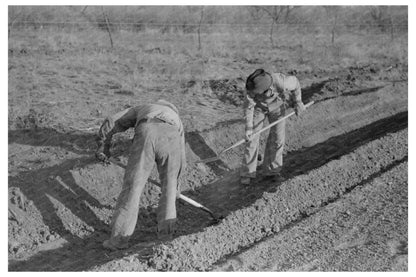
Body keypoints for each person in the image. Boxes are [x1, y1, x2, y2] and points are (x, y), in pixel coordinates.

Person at [95, 99, 186, 250]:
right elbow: (182, 158)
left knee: (133, 188)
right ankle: (165, 239)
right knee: (169, 191)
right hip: (172, 136)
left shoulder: (142, 108)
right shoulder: (177, 120)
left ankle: (118, 241)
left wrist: (103, 146)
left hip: (147, 131)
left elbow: (111, 121)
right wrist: (177, 185)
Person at [240, 69, 306, 185]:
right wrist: (249, 129)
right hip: (258, 109)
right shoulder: (250, 89)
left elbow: (296, 83)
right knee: (251, 139)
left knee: (278, 138)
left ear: (268, 90)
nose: (254, 94)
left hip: (277, 107)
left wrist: (298, 102)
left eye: (257, 93)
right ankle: (247, 172)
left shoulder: (281, 82)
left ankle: (272, 171)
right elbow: (248, 108)